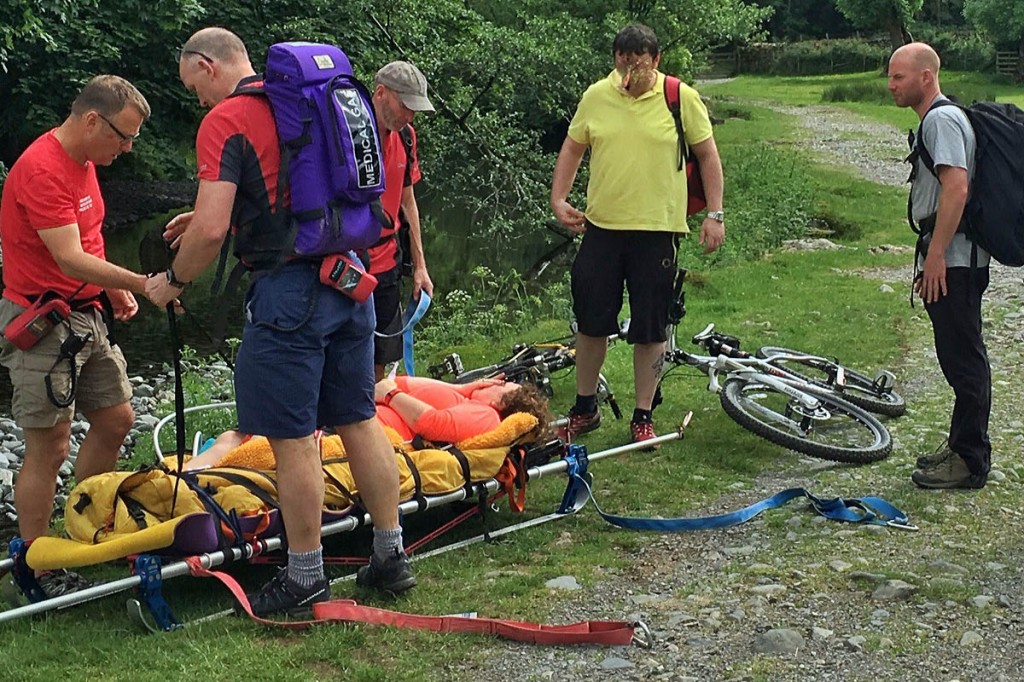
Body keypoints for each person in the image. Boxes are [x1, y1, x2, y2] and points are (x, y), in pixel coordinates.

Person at [145, 28, 415, 617]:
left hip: (289, 295)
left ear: (208, 65)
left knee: (293, 440)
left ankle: (304, 576)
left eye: (196, 88)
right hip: (351, 279)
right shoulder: (316, 103)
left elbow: (212, 232)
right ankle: (391, 557)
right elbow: (296, 188)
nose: (199, 102)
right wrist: (215, 210)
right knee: (358, 416)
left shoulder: (228, 120)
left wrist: (175, 280)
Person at [0, 75, 154, 597]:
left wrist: (110, 292)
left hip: (86, 315)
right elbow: (66, 257)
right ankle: (35, 567)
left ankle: (79, 530)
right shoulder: (42, 169)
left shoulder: (87, 163)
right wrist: (137, 281)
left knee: (117, 419)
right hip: (44, 323)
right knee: (49, 446)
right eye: (122, 136)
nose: (127, 149)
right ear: (92, 120)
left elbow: (88, 240)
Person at [550, 24, 725, 447]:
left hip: (657, 229)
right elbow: (573, 147)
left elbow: (707, 155)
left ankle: (643, 415)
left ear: (656, 61)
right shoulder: (596, 96)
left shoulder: (679, 97)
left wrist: (714, 214)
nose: (631, 71)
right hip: (602, 227)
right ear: (615, 60)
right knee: (591, 321)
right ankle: (585, 408)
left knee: (651, 325)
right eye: (624, 61)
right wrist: (559, 198)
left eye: (640, 63)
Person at [888, 42, 990, 489]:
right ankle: (963, 443)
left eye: (899, 77)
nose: (891, 85)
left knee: (964, 359)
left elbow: (957, 189)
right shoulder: (937, 120)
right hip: (950, 256)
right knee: (955, 355)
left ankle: (970, 459)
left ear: (926, 77)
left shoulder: (942, 120)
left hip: (955, 260)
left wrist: (935, 259)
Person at [183, 377, 552, 471]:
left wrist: (388, 393)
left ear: (505, 402)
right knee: (239, 434)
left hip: (371, 427)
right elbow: (448, 395)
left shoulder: (485, 415)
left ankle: (197, 474)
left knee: (251, 438)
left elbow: (434, 424)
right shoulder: (470, 399)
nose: (495, 382)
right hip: (356, 416)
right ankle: (194, 471)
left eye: (503, 386)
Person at [367, 61, 435, 380]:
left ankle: (376, 423)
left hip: (387, 263)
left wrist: (419, 266)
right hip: (350, 264)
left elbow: (408, 201)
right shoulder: (349, 134)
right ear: (381, 93)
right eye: (406, 105)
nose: (411, 115)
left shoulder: (406, 136)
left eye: (415, 108)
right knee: (342, 355)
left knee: (380, 357)